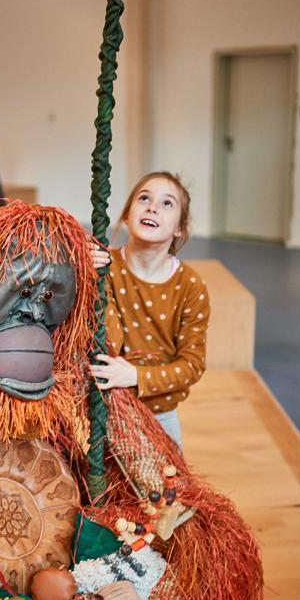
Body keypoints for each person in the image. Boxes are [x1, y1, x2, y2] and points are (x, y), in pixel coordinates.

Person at [89, 171, 210, 447]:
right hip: (107, 408)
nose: (152, 207)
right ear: (127, 215)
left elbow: (192, 365)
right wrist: (86, 273)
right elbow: (102, 338)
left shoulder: (190, 285)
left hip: (160, 415)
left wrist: (135, 376)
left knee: (166, 487)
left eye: (167, 203)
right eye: (144, 198)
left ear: (180, 227)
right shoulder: (105, 268)